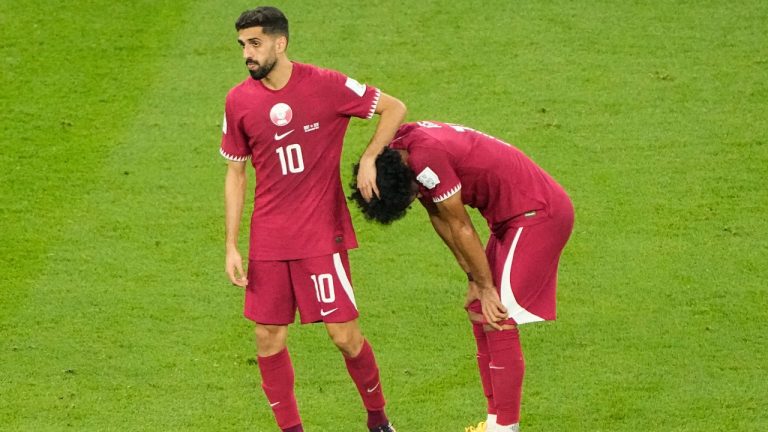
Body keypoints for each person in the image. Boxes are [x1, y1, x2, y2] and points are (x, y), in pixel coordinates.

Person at [220, 7, 405, 432]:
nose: (247, 54)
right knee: (267, 338)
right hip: (268, 240)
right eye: (243, 45)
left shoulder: (326, 85)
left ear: (280, 43)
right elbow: (235, 173)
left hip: (321, 235)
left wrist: (370, 158)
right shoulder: (238, 101)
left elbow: (393, 108)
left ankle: (378, 421)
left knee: (345, 337)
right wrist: (231, 244)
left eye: (255, 44)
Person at [350, 121, 574, 432]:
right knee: (479, 309)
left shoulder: (427, 156)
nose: (414, 199)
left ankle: (505, 427)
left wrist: (487, 287)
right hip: (509, 220)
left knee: (498, 316)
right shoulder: (401, 147)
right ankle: (493, 421)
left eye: (411, 196)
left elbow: (461, 226)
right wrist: (472, 278)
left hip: (537, 214)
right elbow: (438, 216)